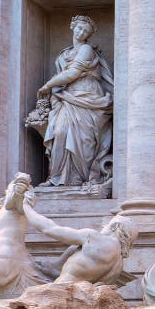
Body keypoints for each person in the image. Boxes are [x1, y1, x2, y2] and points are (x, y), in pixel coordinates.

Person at [36, 15, 114, 187]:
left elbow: (72, 74)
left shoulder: (87, 50)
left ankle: (80, 178)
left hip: (87, 96)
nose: (81, 33)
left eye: (86, 31)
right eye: (79, 28)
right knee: (60, 132)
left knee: (84, 139)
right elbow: (64, 76)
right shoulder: (65, 53)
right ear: (72, 26)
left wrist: (47, 86)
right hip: (67, 98)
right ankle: (57, 177)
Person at [22, 201, 137, 286]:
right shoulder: (118, 266)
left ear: (114, 226)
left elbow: (49, 228)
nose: (104, 227)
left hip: (60, 292)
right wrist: (52, 269)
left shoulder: (94, 238)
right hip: (81, 302)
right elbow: (83, 276)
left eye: (107, 225)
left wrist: (26, 207)